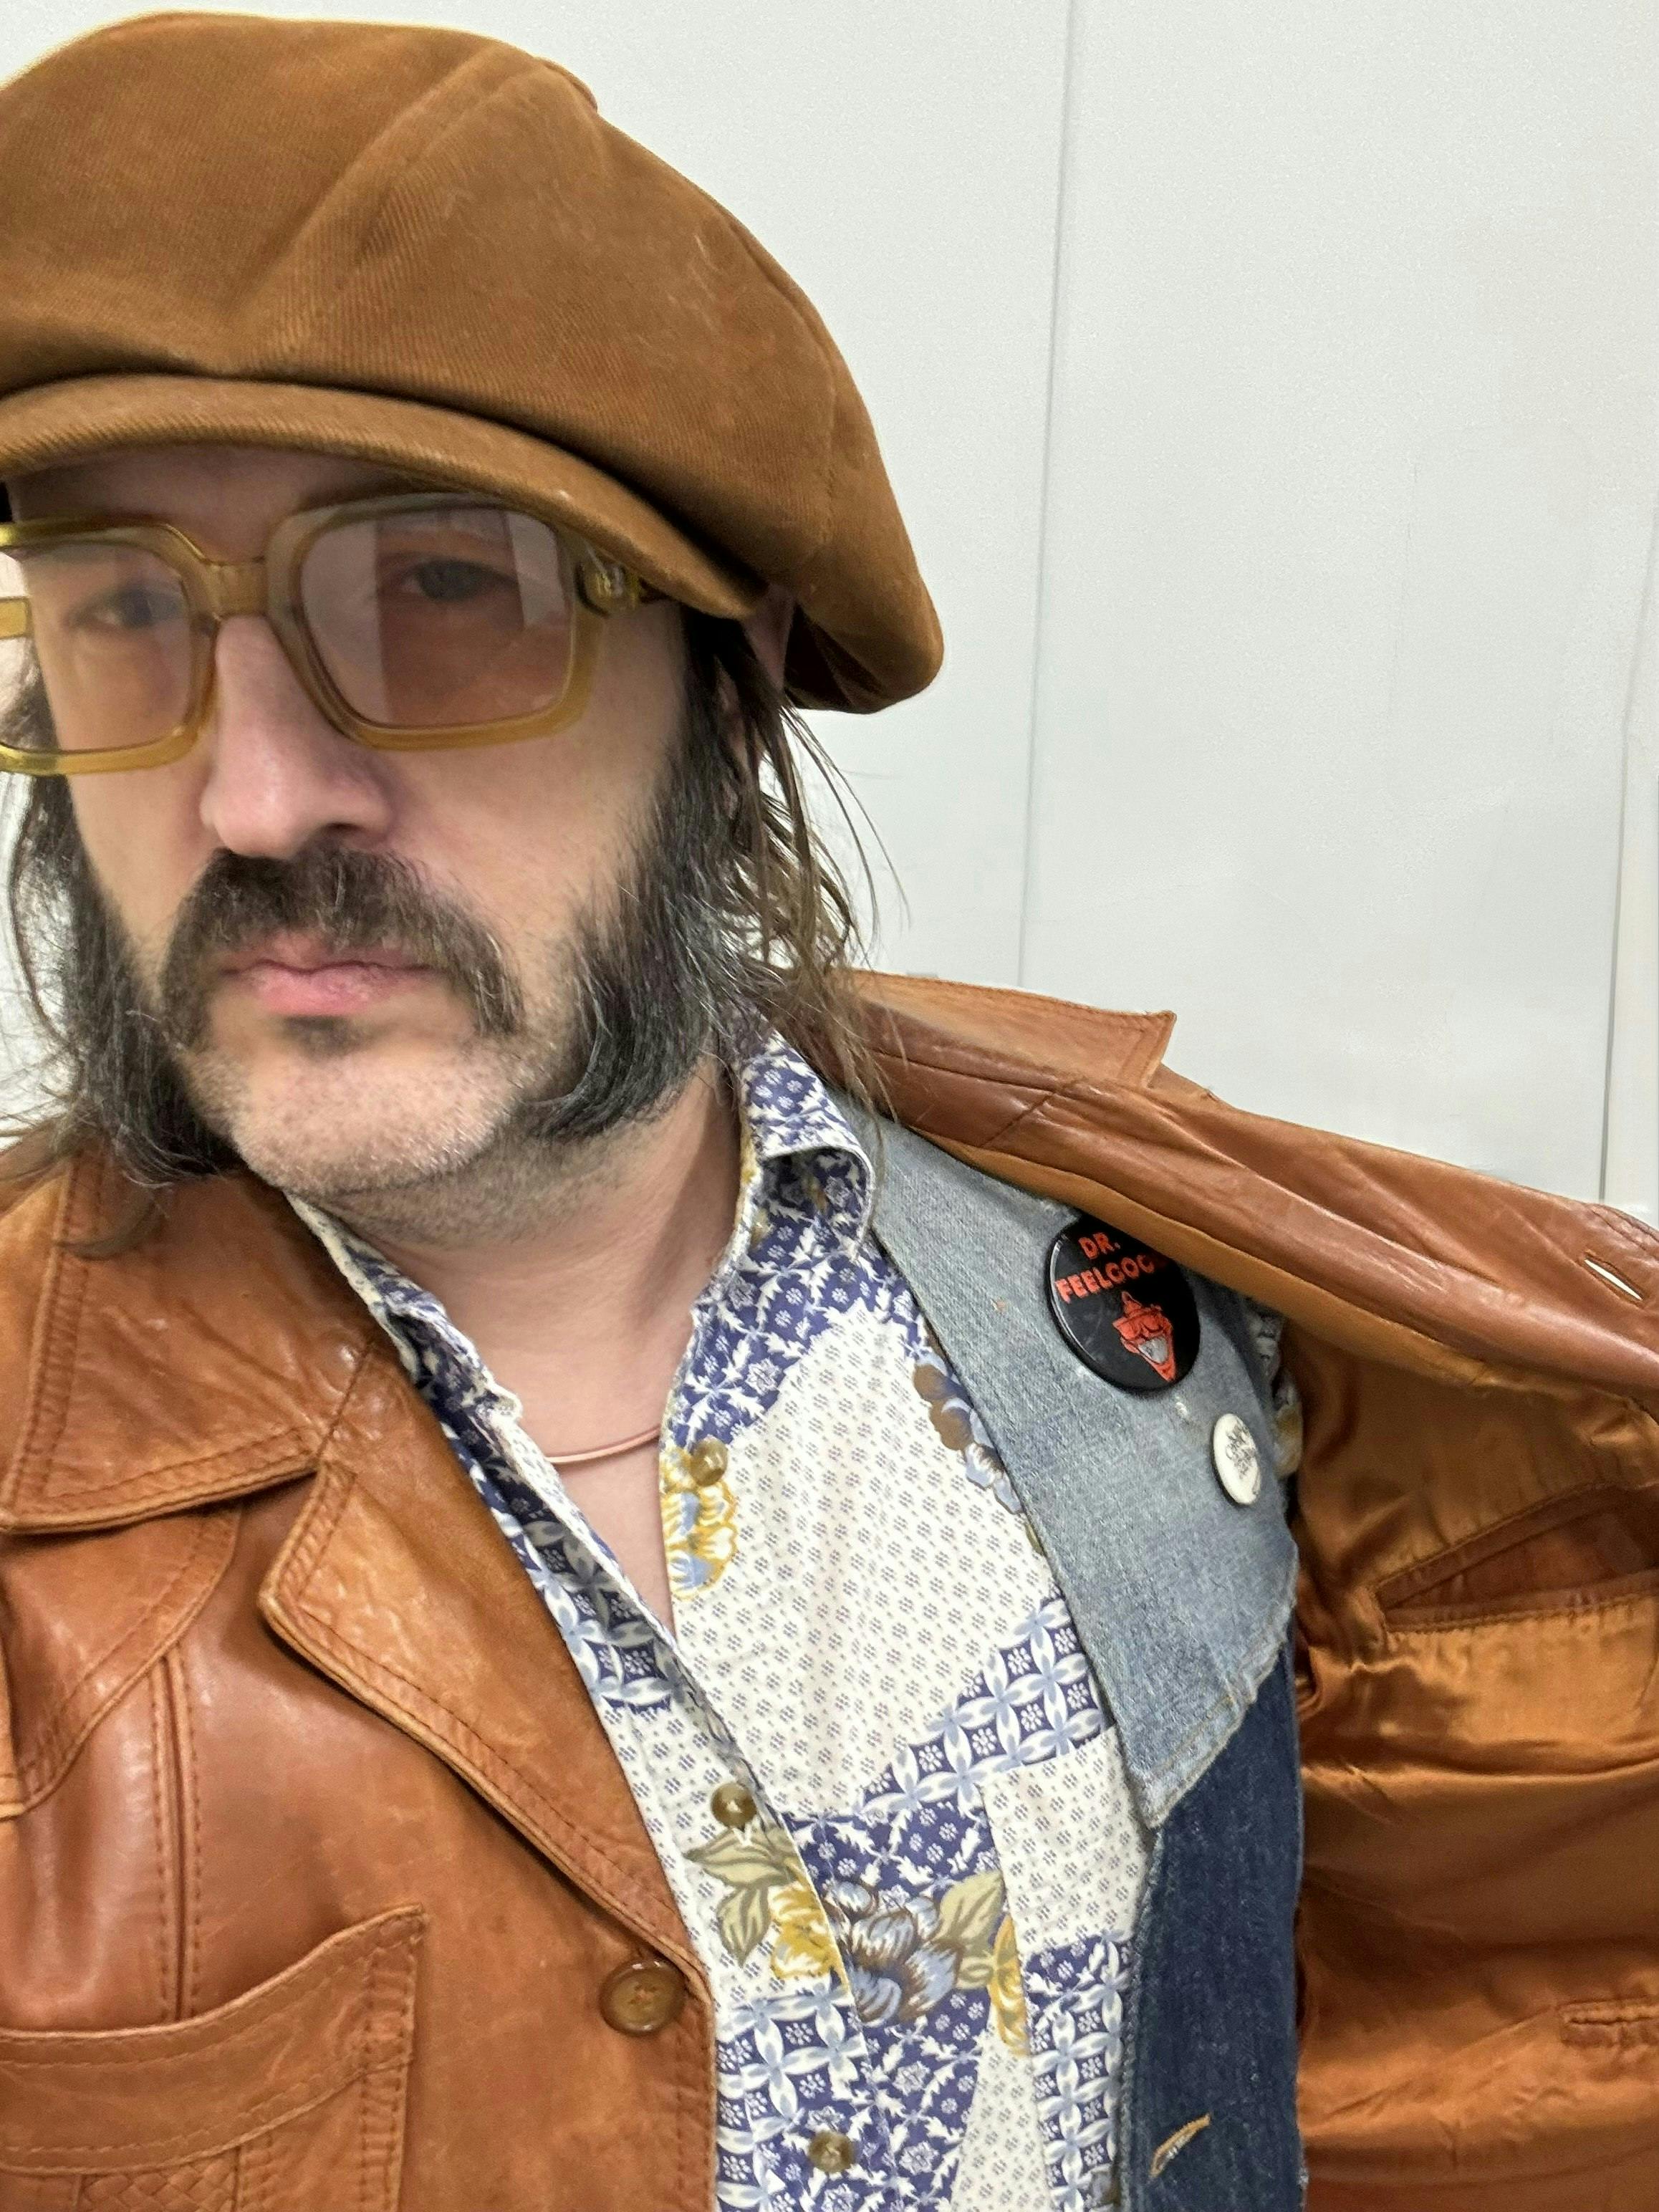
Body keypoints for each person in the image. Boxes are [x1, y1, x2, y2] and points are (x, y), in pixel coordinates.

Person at [0, 16, 1650, 2212]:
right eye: (125, 609)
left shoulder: (1151, 1334)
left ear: (732, 670)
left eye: (443, 591)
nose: (257, 796)